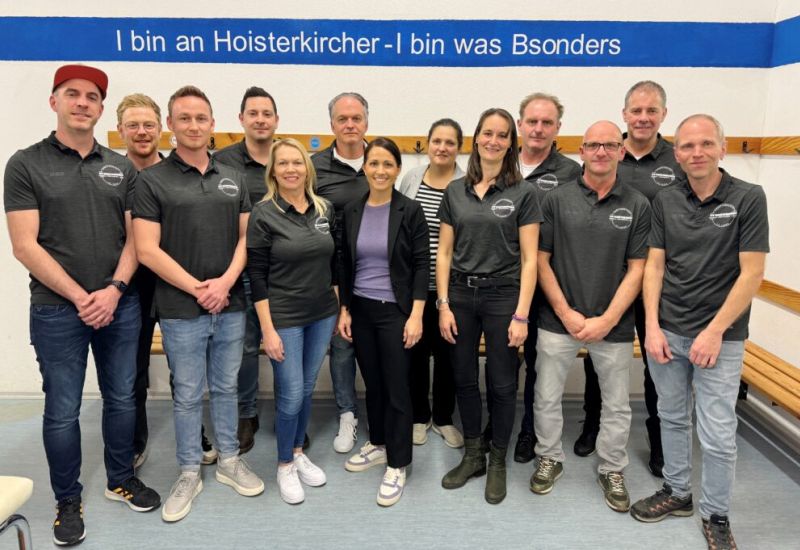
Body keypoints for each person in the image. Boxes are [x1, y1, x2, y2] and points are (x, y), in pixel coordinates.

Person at [4, 64, 161, 547]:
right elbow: (24, 245)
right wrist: (80, 296)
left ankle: (120, 478)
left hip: (119, 304)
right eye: (72, 94)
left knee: (122, 398)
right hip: (56, 310)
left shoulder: (120, 167)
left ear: (100, 109)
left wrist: (113, 290)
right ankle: (67, 499)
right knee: (62, 410)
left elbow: (135, 239)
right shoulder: (25, 164)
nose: (82, 103)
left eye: (92, 97)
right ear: (54, 102)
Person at [631, 115, 769, 550]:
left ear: (722, 148)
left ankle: (716, 514)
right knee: (672, 417)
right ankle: (677, 492)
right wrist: (651, 326)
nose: (697, 153)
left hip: (721, 337)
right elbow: (655, 265)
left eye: (706, 144)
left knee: (717, 432)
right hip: (668, 331)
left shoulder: (748, 197)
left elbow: (752, 273)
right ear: (677, 154)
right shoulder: (665, 199)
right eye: (688, 146)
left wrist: (714, 331)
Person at [133, 85, 264, 523]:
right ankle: (189, 470)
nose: (193, 125)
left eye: (201, 118)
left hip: (230, 303)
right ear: (171, 125)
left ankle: (229, 459)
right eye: (184, 118)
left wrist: (224, 284)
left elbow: (247, 237)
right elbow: (146, 249)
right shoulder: (151, 181)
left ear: (212, 123)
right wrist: (198, 288)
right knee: (188, 393)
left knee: (226, 387)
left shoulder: (233, 176)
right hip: (180, 308)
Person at [529, 121, 650, 514]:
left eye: (610, 145)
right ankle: (549, 457)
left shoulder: (637, 204)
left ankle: (612, 468)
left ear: (621, 151)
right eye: (593, 145)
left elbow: (638, 269)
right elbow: (540, 261)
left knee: (617, 404)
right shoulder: (555, 199)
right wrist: (565, 312)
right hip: (557, 320)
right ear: (581, 151)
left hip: (613, 324)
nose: (601, 152)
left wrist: (607, 319)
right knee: (546, 396)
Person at [577, 81, 685, 474]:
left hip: (660, 283)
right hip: (609, 282)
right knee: (598, 358)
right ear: (624, 114)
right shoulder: (604, 152)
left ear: (663, 115)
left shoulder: (677, 160)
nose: (643, 118)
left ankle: (659, 440)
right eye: (636, 111)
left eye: (651, 111)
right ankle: (591, 425)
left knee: (659, 361)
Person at [438, 108, 540, 504]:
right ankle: (473, 454)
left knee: (501, 382)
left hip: (503, 298)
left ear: (511, 143)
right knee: (463, 378)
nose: (493, 141)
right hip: (461, 296)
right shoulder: (455, 191)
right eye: (487, 133)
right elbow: (444, 253)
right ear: (476, 138)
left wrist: (521, 315)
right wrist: (443, 305)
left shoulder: (523, 193)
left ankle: (497, 458)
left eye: (502, 135)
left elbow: (530, 259)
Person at [117, 93, 219, 468]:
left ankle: (195, 434)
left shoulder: (179, 171)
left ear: (162, 128)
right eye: (133, 126)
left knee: (186, 369)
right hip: (132, 287)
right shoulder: (112, 176)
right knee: (133, 368)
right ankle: (135, 438)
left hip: (179, 284)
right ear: (120, 130)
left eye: (148, 125)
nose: (142, 132)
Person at [246, 138, 337, 504]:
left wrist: (338, 305)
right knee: (291, 392)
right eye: (282, 163)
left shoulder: (324, 209)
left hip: (322, 314)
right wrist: (267, 330)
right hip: (284, 317)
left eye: (297, 162)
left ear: (307, 168)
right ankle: (284, 464)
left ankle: (298, 452)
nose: (290, 169)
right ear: (273, 172)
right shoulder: (263, 213)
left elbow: (334, 263)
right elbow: (256, 276)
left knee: (307, 386)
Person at [338, 137, 429, 507]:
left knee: (396, 388)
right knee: (373, 384)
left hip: (396, 313)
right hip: (361, 310)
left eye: (387, 164)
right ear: (365, 167)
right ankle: (378, 443)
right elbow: (344, 263)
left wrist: (417, 315)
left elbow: (422, 264)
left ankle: (398, 462)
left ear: (397, 169)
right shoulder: (352, 210)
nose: (380, 170)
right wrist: (345, 308)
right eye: (373, 163)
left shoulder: (410, 210)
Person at [511, 92, 586, 464]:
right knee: (503, 362)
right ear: (520, 124)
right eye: (532, 121)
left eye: (547, 122)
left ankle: (529, 431)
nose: (538, 129)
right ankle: (498, 425)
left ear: (558, 128)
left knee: (538, 365)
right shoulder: (500, 163)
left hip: (548, 285)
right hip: (504, 282)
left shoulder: (571, 173)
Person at [214, 86, 281, 453]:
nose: (260, 119)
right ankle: (247, 414)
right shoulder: (222, 162)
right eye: (253, 113)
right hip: (238, 271)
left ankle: (288, 414)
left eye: (266, 113)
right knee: (244, 347)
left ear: (276, 120)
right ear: (241, 119)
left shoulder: (288, 158)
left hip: (282, 273)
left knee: (284, 343)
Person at [398, 118, 465, 449]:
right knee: (415, 353)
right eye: (437, 141)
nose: (442, 147)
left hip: (452, 288)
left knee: (448, 354)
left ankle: (443, 417)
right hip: (414, 285)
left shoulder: (466, 184)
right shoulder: (411, 178)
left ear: (459, 148)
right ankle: (419, 417)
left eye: (450, 142)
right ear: (427, 144)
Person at [312, 92, 370, 453]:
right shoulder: (314, 167)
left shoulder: (380, 159)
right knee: (342, 346)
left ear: (366, 122)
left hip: (376, 274)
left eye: (356, 118)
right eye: (342, 119)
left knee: (378, 347)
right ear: (331, 124)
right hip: (332, 276)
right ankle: (347, 414)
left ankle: (384, 413)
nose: (350, 125)